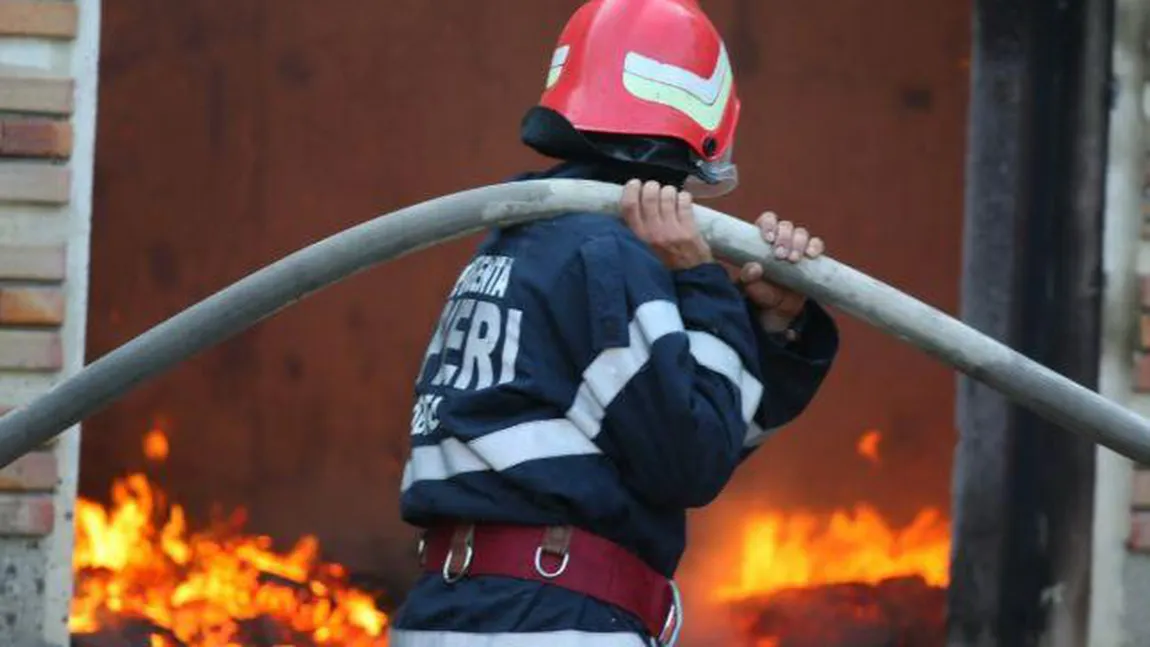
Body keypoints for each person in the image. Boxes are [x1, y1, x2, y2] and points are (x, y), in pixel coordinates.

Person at [389, 1, 839, 645]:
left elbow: (670, 423)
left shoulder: (523, 246)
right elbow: (692, 460)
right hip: (546, 623)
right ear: (704, 119)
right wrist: (702, 284)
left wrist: (774, 327)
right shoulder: (606, 257)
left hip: (458, 615)